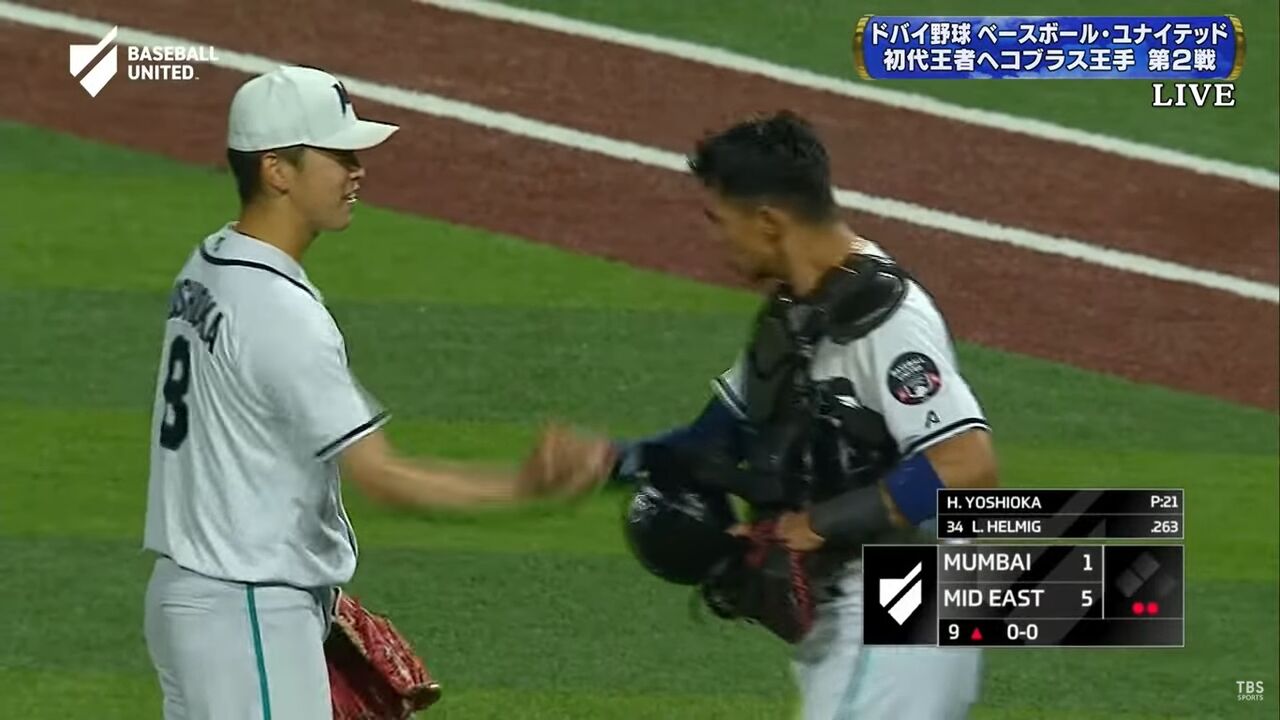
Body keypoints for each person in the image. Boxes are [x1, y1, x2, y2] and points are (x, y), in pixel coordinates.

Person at [141, 65, 613, 720]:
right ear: (277, 170)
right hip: (249, 608)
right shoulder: (282, 313)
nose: (357, 170)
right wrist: (522, 486)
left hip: (192, 598)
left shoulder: (208, 263)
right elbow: (383, 476)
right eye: (338, 156)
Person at [613, 110, 997, 719]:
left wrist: (821, 521)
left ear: (769, 221)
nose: (718, 239)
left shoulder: (889, 322)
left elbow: (966, 466)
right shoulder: (793, 316)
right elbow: (713, 440)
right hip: (849, 613)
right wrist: (615, 461)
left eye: (720, 220)